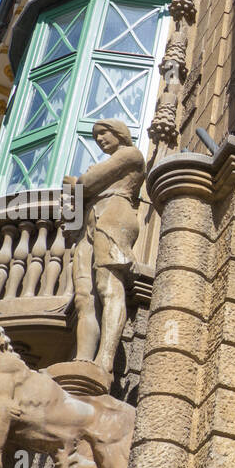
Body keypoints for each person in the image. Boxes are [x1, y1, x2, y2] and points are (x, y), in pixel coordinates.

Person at [63, 119, 145, 374]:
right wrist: (77, 187)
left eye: (103, 133)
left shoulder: (130, 155)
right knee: (84, 294)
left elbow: (86, 183)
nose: (99, 139)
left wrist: (77, 183)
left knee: (107, 286)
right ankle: (84, 358)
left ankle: (105, 359)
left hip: (113, 216)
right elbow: (74, 205)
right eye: (96, 136)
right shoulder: (111, 162)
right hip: (90, 220)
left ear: (118, 132)